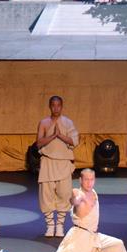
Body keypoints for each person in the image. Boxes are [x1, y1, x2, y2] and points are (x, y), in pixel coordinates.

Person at [15, 169, 127, 252]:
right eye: (86, 180)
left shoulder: (93, 192)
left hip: (93, 236)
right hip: (79, 237)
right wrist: (75, 201)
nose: (89, 183)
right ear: (80, 180)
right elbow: (75, 199)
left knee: (117, 244)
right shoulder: (78, 193)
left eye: (91, 180)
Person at [36, 95, 79, 237]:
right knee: (46, 195)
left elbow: (74, 141)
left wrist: (60, 135)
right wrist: (53, 136)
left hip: (63, 163)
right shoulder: (44, 122)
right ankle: (50, 225)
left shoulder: (68, 122)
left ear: (62, 106)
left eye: (58, 105)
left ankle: (60, 225)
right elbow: (39, 143)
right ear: (50, 106)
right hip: (48, 162)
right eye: (53, 105)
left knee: (64, 194)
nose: (56, 108)